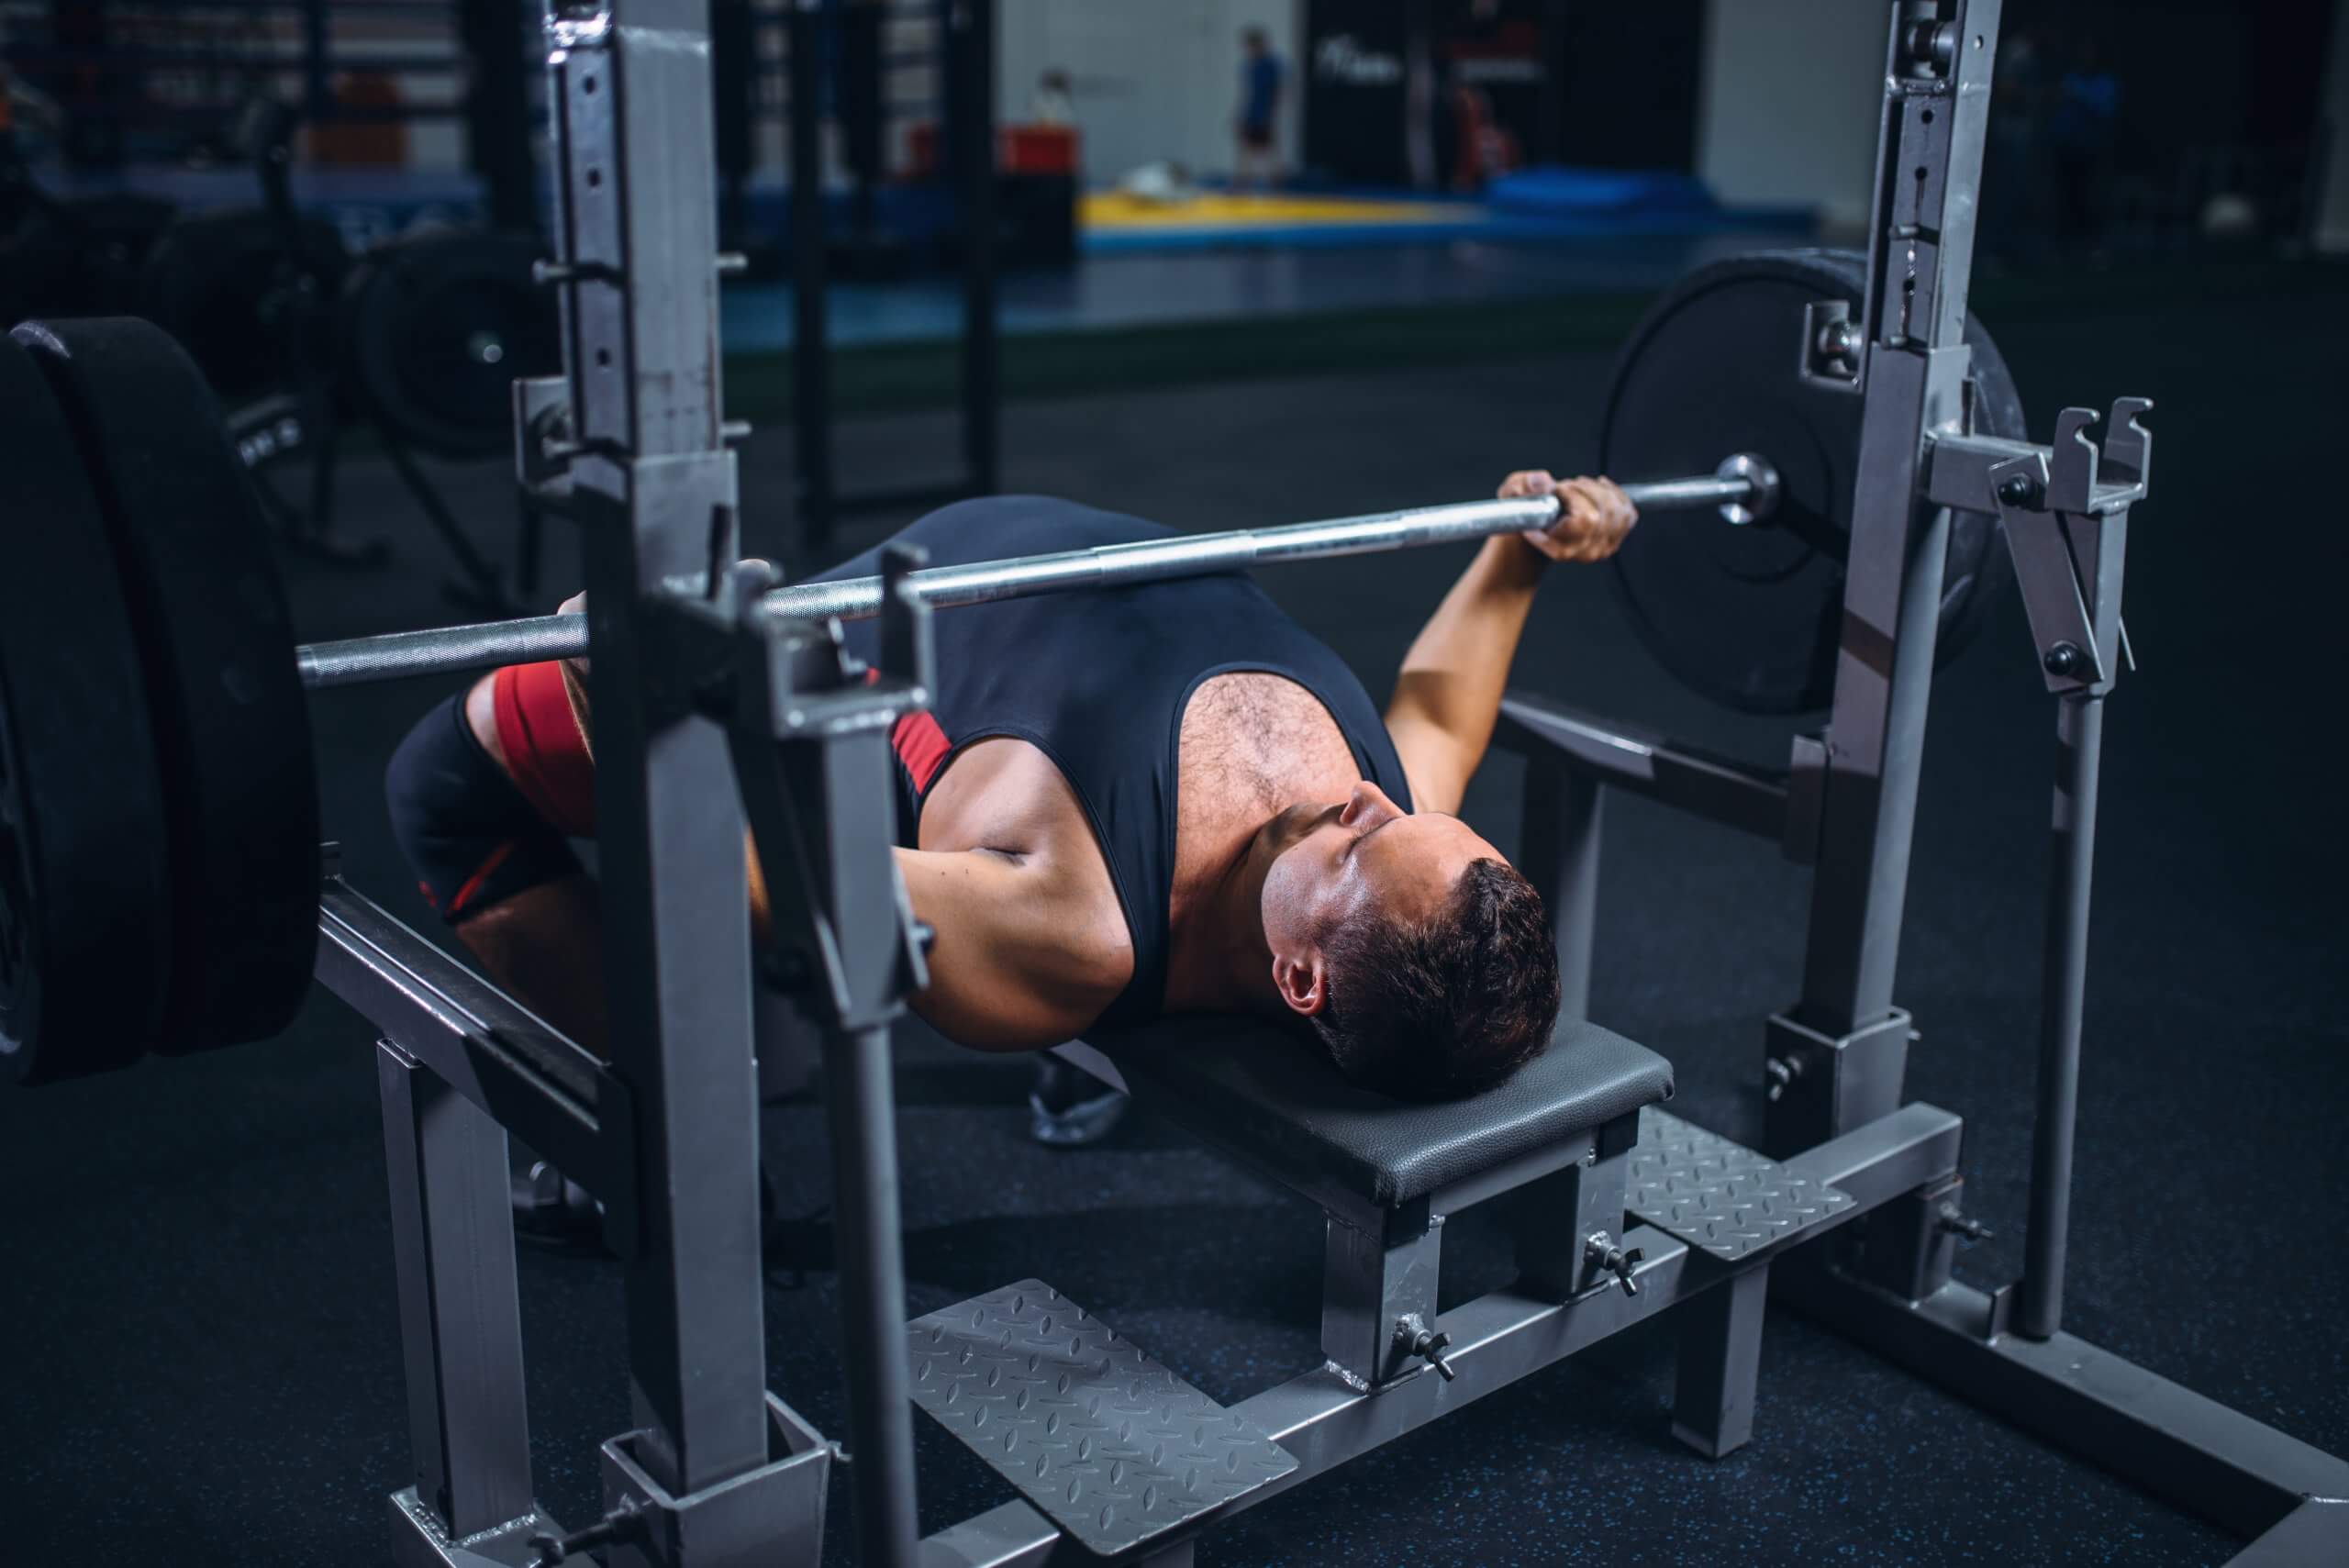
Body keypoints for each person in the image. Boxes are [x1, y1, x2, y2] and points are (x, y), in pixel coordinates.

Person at [386, 473, 1637, 1112]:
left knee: (439, 784)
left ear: (1303, 976)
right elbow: (1441, 712)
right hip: (967, 556)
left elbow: (739, 862)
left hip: (827, 650)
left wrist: (625, 696)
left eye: (1372, 842)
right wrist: (1519, 553)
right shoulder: (1397, 831)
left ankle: (655, 1143)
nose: (1377, 799)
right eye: (1420, 814)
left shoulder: (1071, 933)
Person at [1234, 26, 1283, 193]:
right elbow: (1249, 94)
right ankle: (1242, 184)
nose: (1249, 50)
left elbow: (1276, 91)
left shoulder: (1268, 65)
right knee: (1247, 148)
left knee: (1266, 150)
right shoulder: (1251, 65)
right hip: (1253, 113)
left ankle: (1273, 184)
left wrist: (1270, 114)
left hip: (1262, 114)